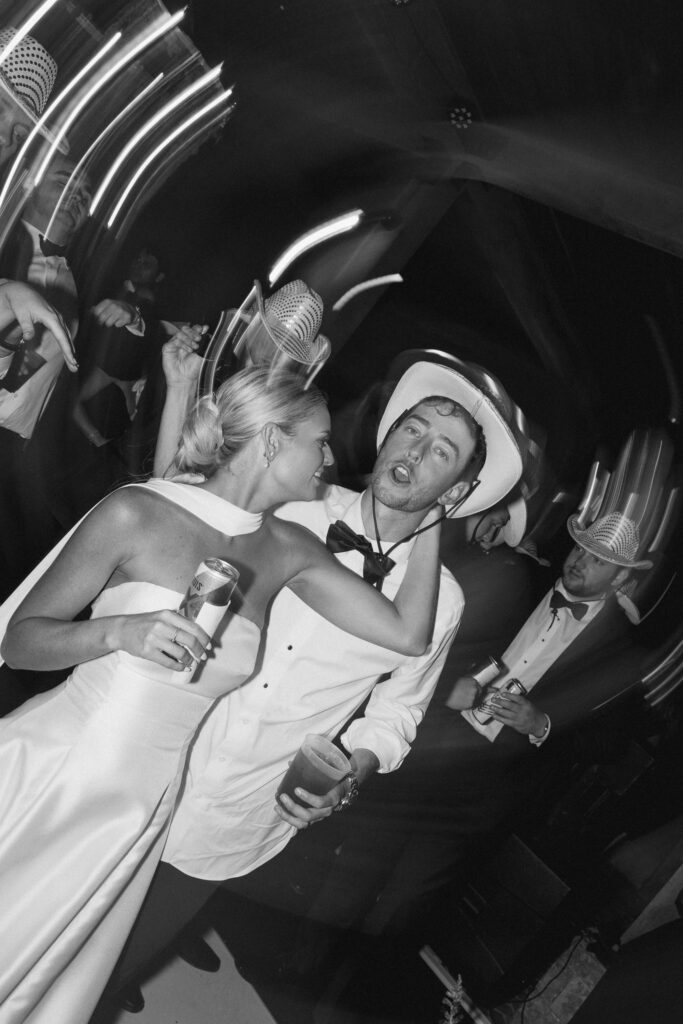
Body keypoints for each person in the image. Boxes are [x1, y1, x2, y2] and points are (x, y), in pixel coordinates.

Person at [0, 364, 444, 1023]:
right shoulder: (137, 511)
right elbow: (18, 641)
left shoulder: (289, 548)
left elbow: (408, 634)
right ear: (269, 442)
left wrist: (437, 514)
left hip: (143, 807)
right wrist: (118, 631)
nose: (330, 458)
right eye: (318, 442)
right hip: (59, 771)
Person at [106, 337, 525, 1012]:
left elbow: (397, 714)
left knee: (114, 968)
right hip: (155, 760)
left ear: (459, 490)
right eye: (411, 430)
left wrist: (355, 770)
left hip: (239, 814)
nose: (414, 453)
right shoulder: (294, 502)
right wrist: (182, 389)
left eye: (439, 451)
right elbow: (179, 511)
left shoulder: (440, 601)